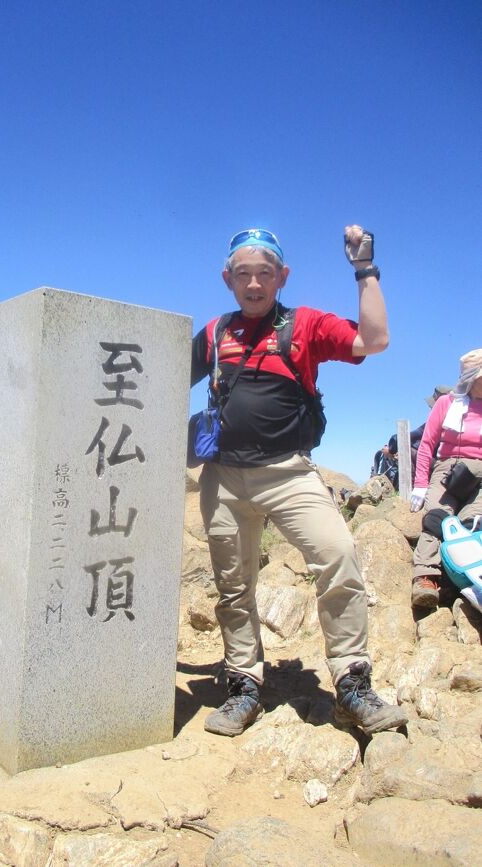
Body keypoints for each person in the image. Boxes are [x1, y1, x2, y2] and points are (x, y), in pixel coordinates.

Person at [190, 225, 408, 737]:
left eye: (265, 273)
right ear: (227, 279)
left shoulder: (303, 324)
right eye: (243, 273)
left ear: (282, 276)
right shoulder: (214, 334)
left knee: (338, 555)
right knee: (232, 586)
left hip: (289, 473)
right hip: (222, 478)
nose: (254, 283)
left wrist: (365, 268)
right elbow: (156, 376)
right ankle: (244, 684)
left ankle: (352, 683)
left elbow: (374, 341)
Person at [410, 351, 482, 607]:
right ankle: (425, 578)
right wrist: (420, 484)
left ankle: (468, 581)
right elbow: (427, 444)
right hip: (448, 468)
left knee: (472, 524)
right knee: (436, 518)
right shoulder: (448, 403)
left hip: (481, 473)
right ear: (472, 378)